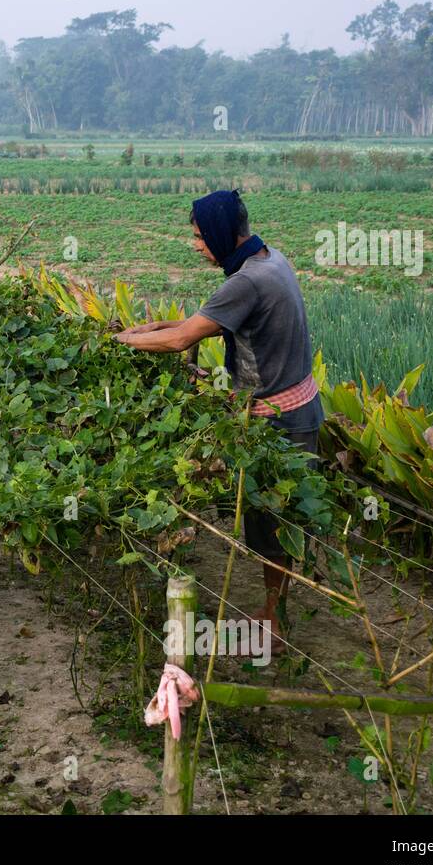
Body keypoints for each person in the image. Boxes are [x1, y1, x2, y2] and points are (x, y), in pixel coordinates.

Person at [114, 189, 323, 655]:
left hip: (280, 421)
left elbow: (183, 338)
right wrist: (146, 329)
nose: (196, 246)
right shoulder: (268, 259)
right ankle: (275, 610)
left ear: (221, 234)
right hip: (299, 408)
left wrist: (124, 342)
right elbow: (196, 322)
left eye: (198, 237)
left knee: (275, 524)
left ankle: (275, 622)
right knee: (276, 520)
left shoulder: (245, 282)